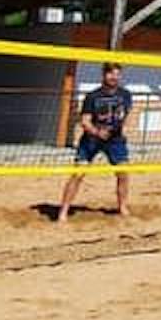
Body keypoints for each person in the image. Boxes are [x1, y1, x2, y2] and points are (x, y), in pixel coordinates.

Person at [56, 62, 132, 223]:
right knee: (78, 174)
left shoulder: (125, 95)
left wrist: (123, 129)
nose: (114, 77)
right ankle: (63, 212)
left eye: (117, 74)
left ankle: (123, 207)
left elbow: (125, 115)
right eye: (111, 74)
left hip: (115, 140)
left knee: (123, 173)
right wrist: (97, 132)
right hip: (91, 139)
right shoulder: (92, 96)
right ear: (104, 75)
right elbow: (85, 121)